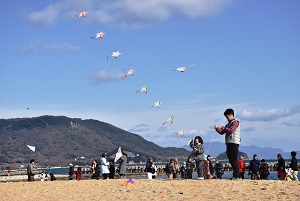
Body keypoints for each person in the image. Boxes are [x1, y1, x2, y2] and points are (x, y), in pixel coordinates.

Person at [214, 108, 241, 180]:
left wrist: (222, 127)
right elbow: (222, 132)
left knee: (233, 159)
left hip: (234, 142)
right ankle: (236, 175)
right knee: (231, 159)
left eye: (227, 117)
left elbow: (231, 130)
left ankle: (237, 175)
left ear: (231, 115)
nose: (226, 118)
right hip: (229, 142)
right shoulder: (228, 124)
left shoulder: (235, 122)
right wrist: (217, 129)